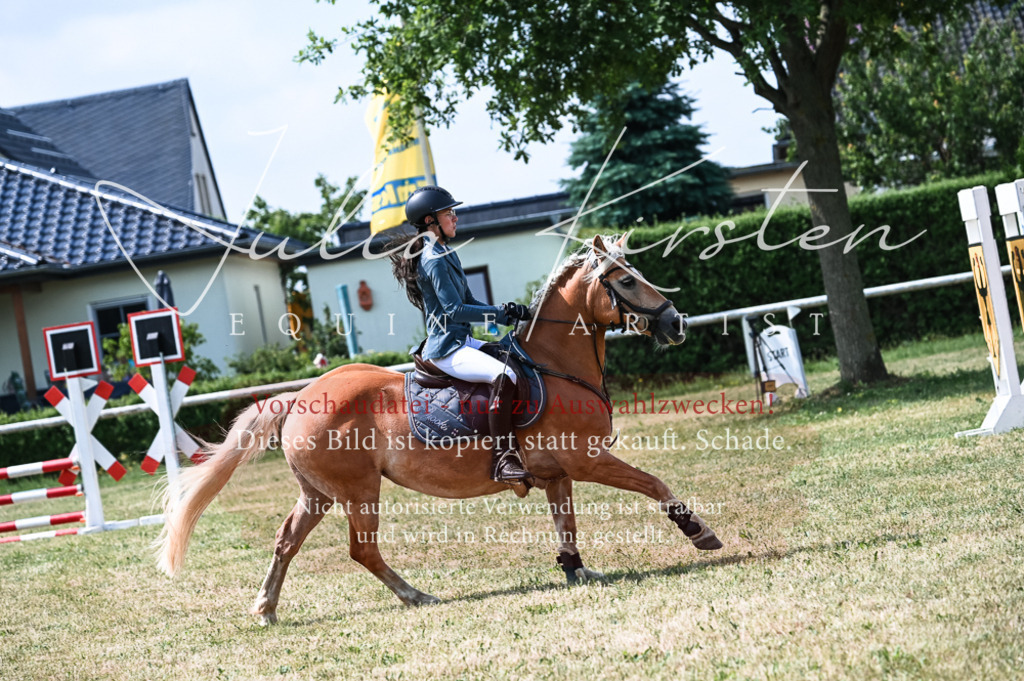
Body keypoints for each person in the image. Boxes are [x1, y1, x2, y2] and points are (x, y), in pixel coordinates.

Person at [391, 186, 532, 484]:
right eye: (448, 213)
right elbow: (455, 310)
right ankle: (503, 460)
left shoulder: (445, 252)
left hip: (462, 341)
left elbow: (470, 302)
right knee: (503, 376)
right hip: (446, 349)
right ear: (431, 221)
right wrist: (497, 313)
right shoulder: (434, 258)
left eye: (454, 212)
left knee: (516, 356)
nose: (455, 218)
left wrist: (506, 313)